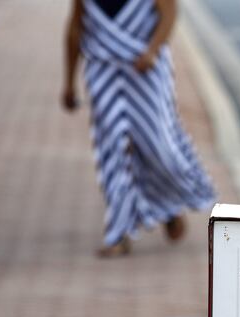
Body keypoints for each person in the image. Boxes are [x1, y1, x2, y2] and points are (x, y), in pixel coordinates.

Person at [62, 0, 215, 257]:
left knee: (159, 147)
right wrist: (68, 82)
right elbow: (75, 29)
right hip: (103, 70)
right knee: (112, 149)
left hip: (147, 70)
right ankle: (118, 234)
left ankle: (169, 204)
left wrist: (153, 50)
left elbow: (169, 14)